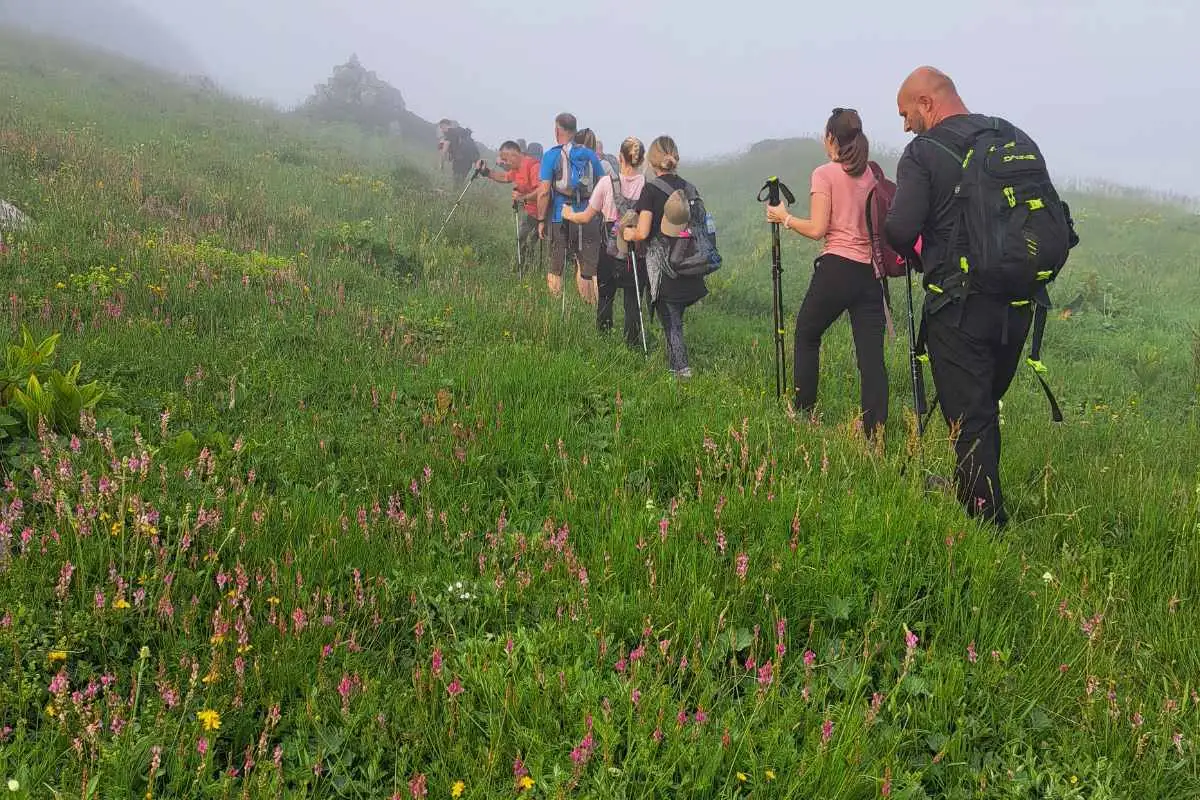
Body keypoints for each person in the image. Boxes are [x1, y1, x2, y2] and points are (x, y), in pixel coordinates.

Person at [883, 66, 1035, 527]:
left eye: (906, 114)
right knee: (982, 410)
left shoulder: (923, 152)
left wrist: (919, 253)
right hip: (1018, 303)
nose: (905, 125)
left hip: (960, 306)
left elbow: (899, 230)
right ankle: (973, 491)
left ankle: (986, 530)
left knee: (969, 419)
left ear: (927, 103)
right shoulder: (1012, 137)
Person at [764, 108, 888, 440]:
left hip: (837, 268)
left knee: (807, 333)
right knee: (871, 358)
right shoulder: (871, 175)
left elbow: (818, 229)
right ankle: (875, 436)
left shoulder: (825, 174)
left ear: (831, 138)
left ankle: (804, 414)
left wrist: (784, 217)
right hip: (869, 274)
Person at [623, 135, 707, 379]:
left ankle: (681, 371)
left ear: (651, 161)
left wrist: (628, 233)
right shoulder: (689, 188)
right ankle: (676, 367)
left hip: (665, 268)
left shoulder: (650, 190)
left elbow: (642, 232)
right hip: (691, 262)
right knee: (675, 319)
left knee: (671, 322)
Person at [563, 136, 648, 346]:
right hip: (637, 251)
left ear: (620, 158)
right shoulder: (648, 186)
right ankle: (632, 344)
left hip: (609, 250)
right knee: (633, 300)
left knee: (605, 296)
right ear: (642, 160)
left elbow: (585, 217)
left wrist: (568, 214)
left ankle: (604, 340)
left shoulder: (606, 183)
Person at [536, 113, 608, 303]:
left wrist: (541, 220)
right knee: (587, 267)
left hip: (560, 215)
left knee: (556, 264)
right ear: (575, 131)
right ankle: (591, 307)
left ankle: (555, 304)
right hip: (587, 214)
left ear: (557, 131)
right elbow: (603, 184)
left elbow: (544, 192)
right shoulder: (590, 155)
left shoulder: (551, 155)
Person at [476, 141, 541, 256]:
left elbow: (541, 191)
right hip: (529, 210)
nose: (505, 163)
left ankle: (529, 263)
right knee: (523, 240)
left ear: (514, 155)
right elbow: (505, 177)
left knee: (529, 240)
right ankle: (525, 263)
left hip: (542, 212)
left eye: (505, 160)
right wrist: (486, 172)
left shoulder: (533, 166)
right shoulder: (516, 168)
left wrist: (522, 197)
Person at [437, 119, 480, 184]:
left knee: (456, 181)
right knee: (460, 181)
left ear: (444, 125)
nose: (441, 130)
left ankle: (456, 189)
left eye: (441, 127)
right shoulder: (462, 132)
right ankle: (458, 189)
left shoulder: (450, 133)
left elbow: (444, 151)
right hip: (469, 162)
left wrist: (441, 165)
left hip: (460, 160)